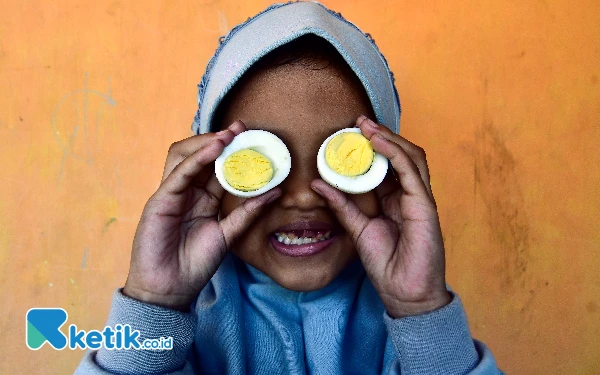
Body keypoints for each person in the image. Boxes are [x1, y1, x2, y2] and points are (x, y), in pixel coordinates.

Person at [76, 2, 503, 374]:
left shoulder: (412, 330)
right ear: (210, 176)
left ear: (388, 172)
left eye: (341, 157)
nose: (303, 196)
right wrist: (155, 303)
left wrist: (420, 310)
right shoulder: (178, 328)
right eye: (260, 164)